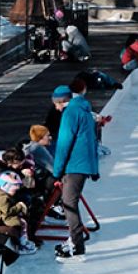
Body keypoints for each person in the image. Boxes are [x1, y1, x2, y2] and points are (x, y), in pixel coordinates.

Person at [52, 78, 99, 262]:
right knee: (69, 202)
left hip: (74, 166)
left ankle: (77, 245)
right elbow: (91, 141)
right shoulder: (84, 111)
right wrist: (94, 168)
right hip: (83, 164)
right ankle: (75, 242)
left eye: (55, 104)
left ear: (60, 101)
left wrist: (57, 171)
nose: (56, 109)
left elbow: (64, 143)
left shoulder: (70, 113)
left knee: (69, 204)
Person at [0, 172, 38, 256]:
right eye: (14, 188)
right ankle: (22, 243)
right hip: (0, 219)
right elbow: (7, 212)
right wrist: (20, 206)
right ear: (6, 186)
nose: (17, 189)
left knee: (22, 219)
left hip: (4, 217)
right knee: (22, 222)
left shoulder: (3, 195)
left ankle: (23, 240)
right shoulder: (1, 198)